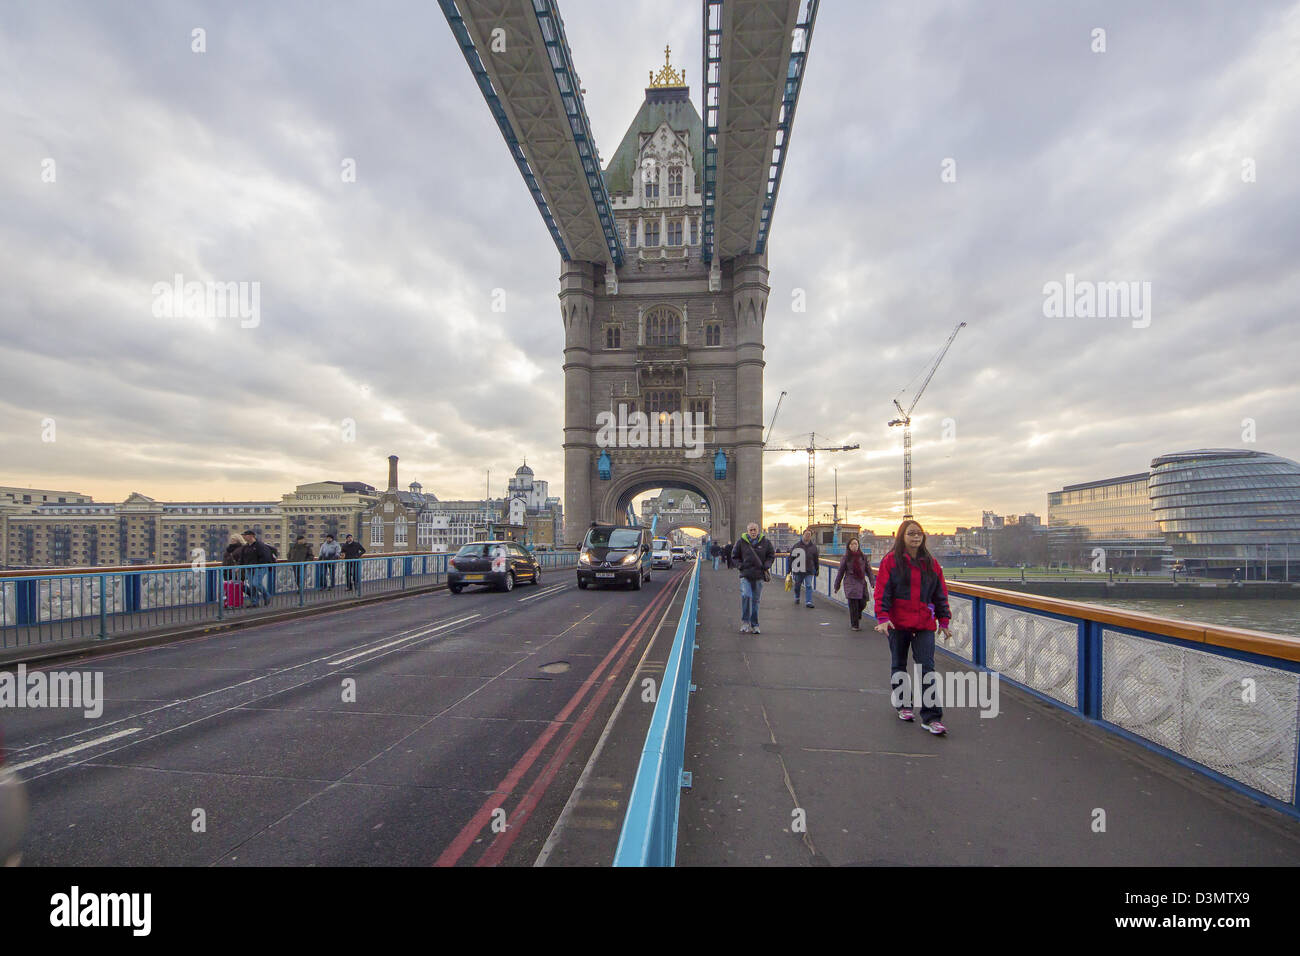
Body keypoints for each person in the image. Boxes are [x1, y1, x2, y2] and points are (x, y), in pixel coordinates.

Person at [874, 520, 951, 735]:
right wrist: (882, 617)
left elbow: (940, 593)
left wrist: (944, 620)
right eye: (911, 534)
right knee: (899, 665)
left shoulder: (931, 564)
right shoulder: (891, 561)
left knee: (927, 668)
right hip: (897, 623)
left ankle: (932, 717)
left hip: (924, 623)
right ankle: (903, 705)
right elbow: (882, 591)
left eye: (919, 533)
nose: (916, 537)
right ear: (902, 536)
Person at [731, 522, 775, 634]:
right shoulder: (741, 542)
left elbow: (771, 555)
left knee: (756, 600)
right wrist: (740, 566)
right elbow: (734, 556)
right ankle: (745, 622)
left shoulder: (765, 542)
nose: (753, 532)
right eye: (751, 530)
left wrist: (767, 565)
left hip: (759, 575)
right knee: (746, 595)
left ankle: (755, 625)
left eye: (755, 529)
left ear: (758, 530)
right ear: (747, 531)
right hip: (745, 574)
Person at [833, 536, 875, 629]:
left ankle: (857, 614)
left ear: (858, 545)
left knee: (863, 602)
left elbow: (869, 570)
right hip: (850, 583)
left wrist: (872, 581)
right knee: (853, 605)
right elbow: (840, 572)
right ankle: (855, 625)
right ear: (849, 546)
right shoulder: (846, 557)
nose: (854, 546)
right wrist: (837, 585)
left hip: (861, 583)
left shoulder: (863, 557)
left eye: (856, 543)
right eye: (852, 544)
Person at [238, 529, 275, 607]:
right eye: (243, 536)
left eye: (245, 535)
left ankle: (266, 595)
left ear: (252, 536)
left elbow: (265, 557)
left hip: (260, 567)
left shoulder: (260, 546)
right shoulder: (245, 547)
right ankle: (255, 602)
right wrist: (239, 566)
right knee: (252, 585)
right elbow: (242, 558)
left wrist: (258, 564)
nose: (244, 537)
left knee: (256, 583)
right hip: (249, 568)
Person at [789, 529, 821, 609]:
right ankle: (797, 597)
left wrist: (817, 569)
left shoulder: (813, 547)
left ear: (811, 536)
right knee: (797, 585)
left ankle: (808, 602)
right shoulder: (796, 546)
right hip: (798, 570)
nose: (807, 536)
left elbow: (816, 559)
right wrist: (789, 570)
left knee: (809, 585)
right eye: (806, 534)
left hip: (809, 570)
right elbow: (790, 558)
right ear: (803, 535)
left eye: (809, 535)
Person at [222, 532, 245, 609]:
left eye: (234, 539)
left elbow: (241, 559)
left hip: (236, 571)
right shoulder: (228, 549)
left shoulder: (241, 548)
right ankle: (230, 602)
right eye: (231, 539)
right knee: (229, 587)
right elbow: (225, 559)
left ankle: (235, 603)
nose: (232, 541)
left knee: (237, 586)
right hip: (227, 570)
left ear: (238, 540)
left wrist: (238, 567)